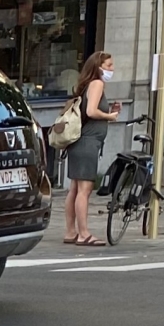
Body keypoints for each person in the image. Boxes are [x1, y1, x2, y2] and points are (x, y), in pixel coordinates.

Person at [62, 50, 123, 246]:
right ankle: (83, 233)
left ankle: (71, 232)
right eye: (109, 66)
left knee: (75, 188)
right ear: (98, 68)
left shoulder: (86, 85)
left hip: (80, 142)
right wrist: (109, 116)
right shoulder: (97, 84)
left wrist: (109, 111)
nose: (112, 69)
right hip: (87, 142)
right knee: (84, 189)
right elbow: (91, 111)